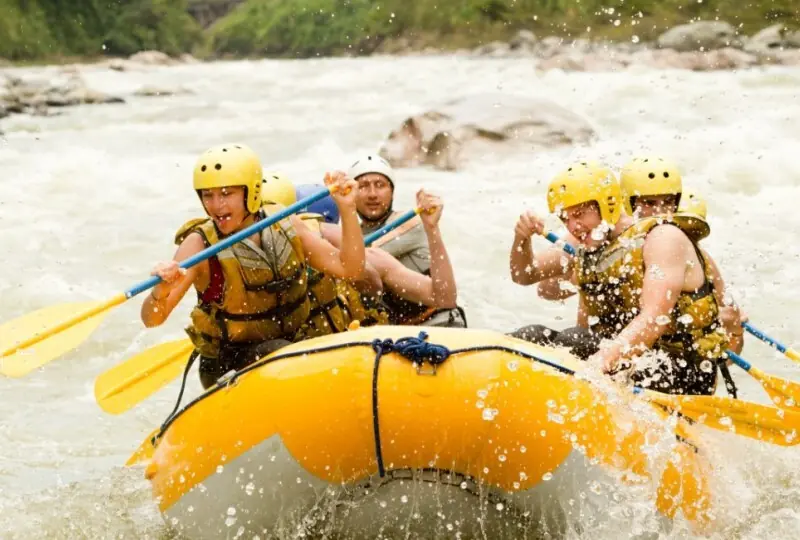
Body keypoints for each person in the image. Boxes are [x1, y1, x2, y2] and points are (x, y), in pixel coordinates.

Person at [140, 143, 365, 389]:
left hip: (292, 346)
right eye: (208, 195)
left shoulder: (284, 223)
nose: (216, 206)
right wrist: (159, 292)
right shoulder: (199, 245)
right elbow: (152, 319)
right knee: (280, 352)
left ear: (252, 192)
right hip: (229, 363)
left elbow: (349, 269)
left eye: (226, 194)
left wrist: (347, 207)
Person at [509, 160, 731, 396]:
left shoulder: (663, 237)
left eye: (579, 214)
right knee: (533, 336)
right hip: (625, 357)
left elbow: (655, 318)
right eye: (565, 218)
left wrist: (597, 365)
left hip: (681, 370)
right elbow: (526, 274)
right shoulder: (587, 238)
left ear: (609, 205)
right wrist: (521, 238)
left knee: (573, 339)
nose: (573, 226)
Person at [347, 154, 467, 327]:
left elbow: (360, 256)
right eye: (363, 186)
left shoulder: (411, 222)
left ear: (392, 191)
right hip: (399, 332)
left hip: (439, 321)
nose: (372, 194)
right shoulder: (351, 234)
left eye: (380, 185)